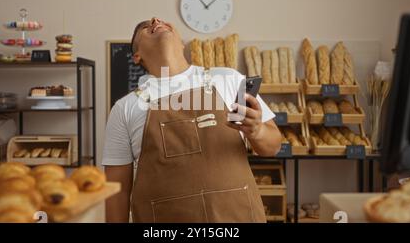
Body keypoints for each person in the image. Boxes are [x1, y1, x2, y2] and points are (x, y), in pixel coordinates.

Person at [103, 17, 282, 223]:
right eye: (144, 27)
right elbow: (117, 192)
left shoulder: (229, 80)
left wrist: (258, 131)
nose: (155, 20)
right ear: (136, 56)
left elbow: (273, 146)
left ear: (181, 43)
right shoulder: (125, 108)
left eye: (161, 21)